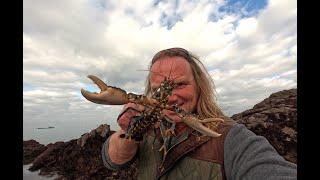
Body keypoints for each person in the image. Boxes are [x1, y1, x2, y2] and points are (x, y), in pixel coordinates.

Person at [101, 47, 297, 180]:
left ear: (199, 86)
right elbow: (112, 162)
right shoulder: (146, 125)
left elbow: (265, 167)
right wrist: (131, 132)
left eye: (180, 84)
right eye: (158, 89)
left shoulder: (230, 137)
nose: (170, 97)